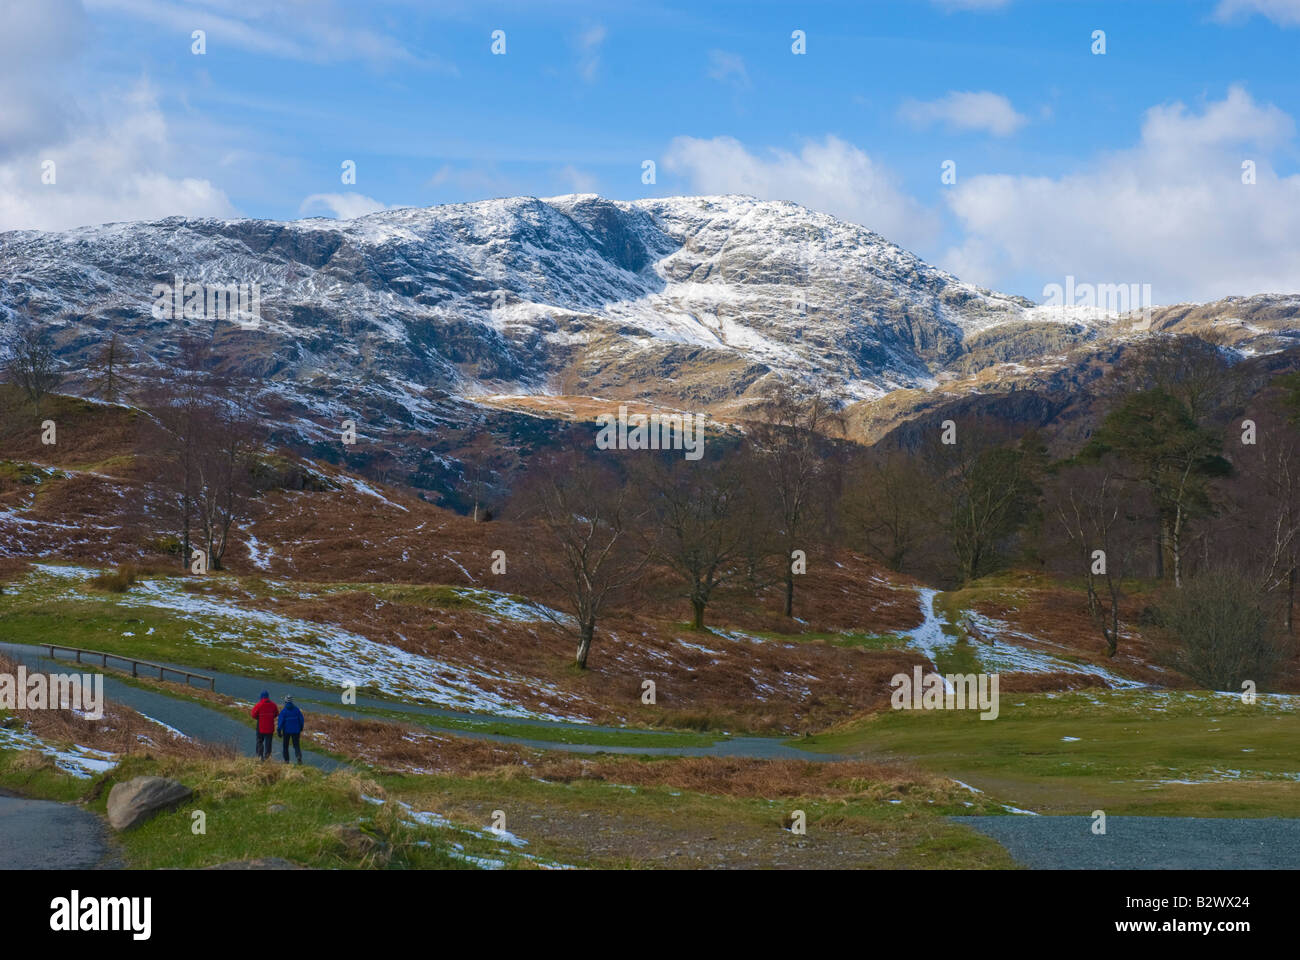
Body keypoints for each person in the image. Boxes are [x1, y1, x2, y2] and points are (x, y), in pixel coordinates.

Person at [250, 691, 279, 761]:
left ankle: (260, 756)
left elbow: (253, 714)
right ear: (268, 697)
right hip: (270, 727)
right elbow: (276, 713)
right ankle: (267, 757)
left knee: (259, 741)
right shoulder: (273, 705)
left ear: (261, 697)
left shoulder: (259, 705)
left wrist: (258, 717)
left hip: (260, 727)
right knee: (268, 743)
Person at [277, 695, 305, 765]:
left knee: (285, 746)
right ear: (292, 702)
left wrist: (279, 731)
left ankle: (286, 761)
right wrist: (301, 727)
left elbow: (280, 722)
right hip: (296, 730)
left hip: (286, 731)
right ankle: (298, 756)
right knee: (296, 745)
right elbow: (301, 720)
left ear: (285, 702)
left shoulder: (284, 711)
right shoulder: (297, 710)